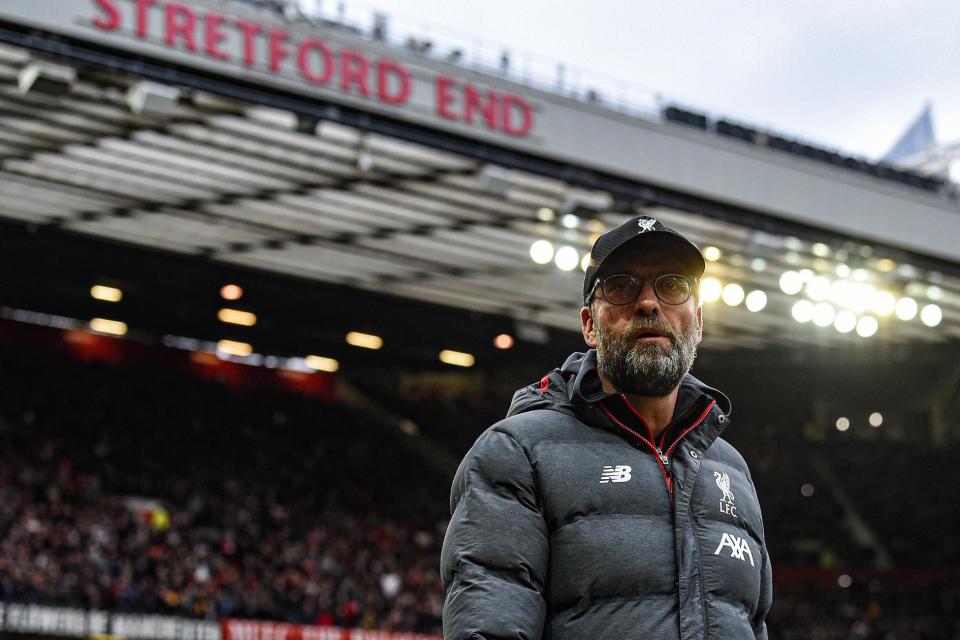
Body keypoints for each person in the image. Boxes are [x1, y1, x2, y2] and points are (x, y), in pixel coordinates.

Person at [441, 216, 772, 639]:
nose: (649, 303)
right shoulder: (517, 453)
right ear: (589, 324)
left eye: (672, 286)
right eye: (622, 286)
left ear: (699, 321)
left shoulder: (732, 470)